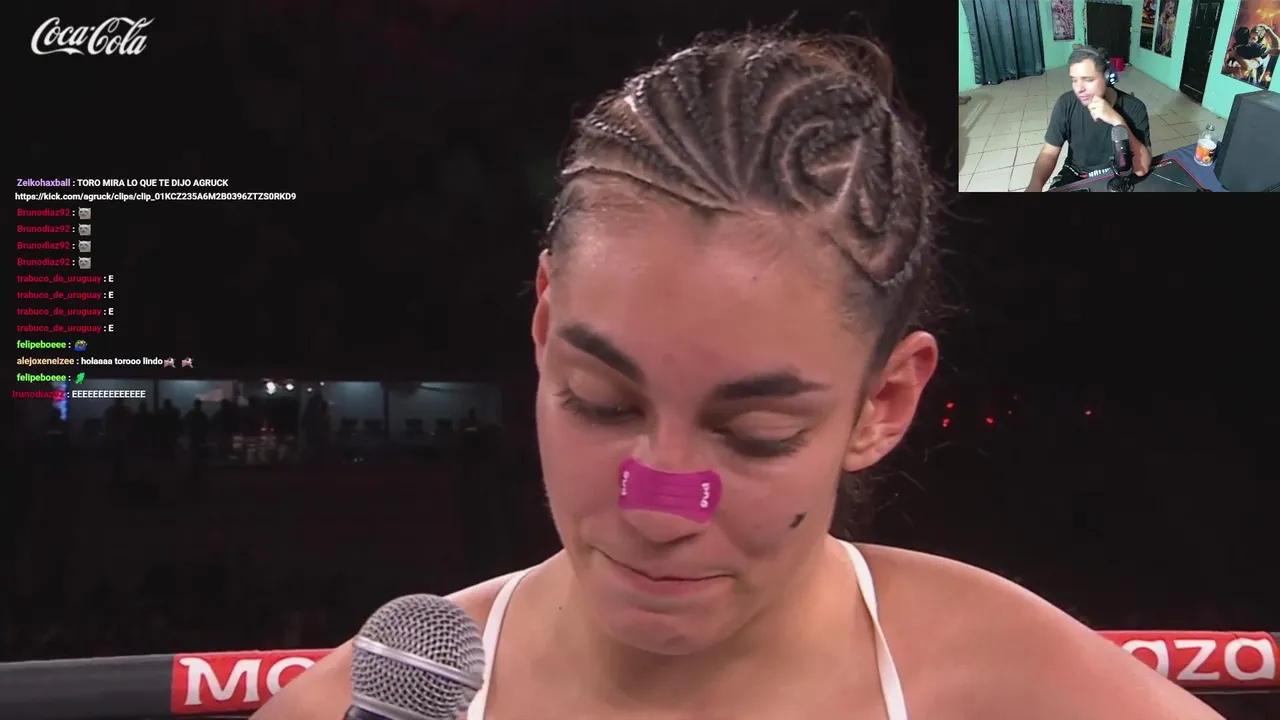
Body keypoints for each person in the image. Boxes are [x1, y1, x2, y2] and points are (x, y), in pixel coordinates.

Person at [254, 32, 1223, 720]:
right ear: (545, 330)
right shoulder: (359, 705)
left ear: (882, 404)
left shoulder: (1017, 693)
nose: (658, 504)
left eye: (755, 433)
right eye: (600, 401)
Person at [1026, 46, 1152, 191]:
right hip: (1077, 175)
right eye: (1074, 80)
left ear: (1107, 77)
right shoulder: (1065, 104)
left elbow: (1142, 168)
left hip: (1118, 176)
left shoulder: (1135, 107)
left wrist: (1118, 121)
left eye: (1088, 80)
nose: (1079, 88)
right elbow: (1049, 153)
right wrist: (1034, 185)